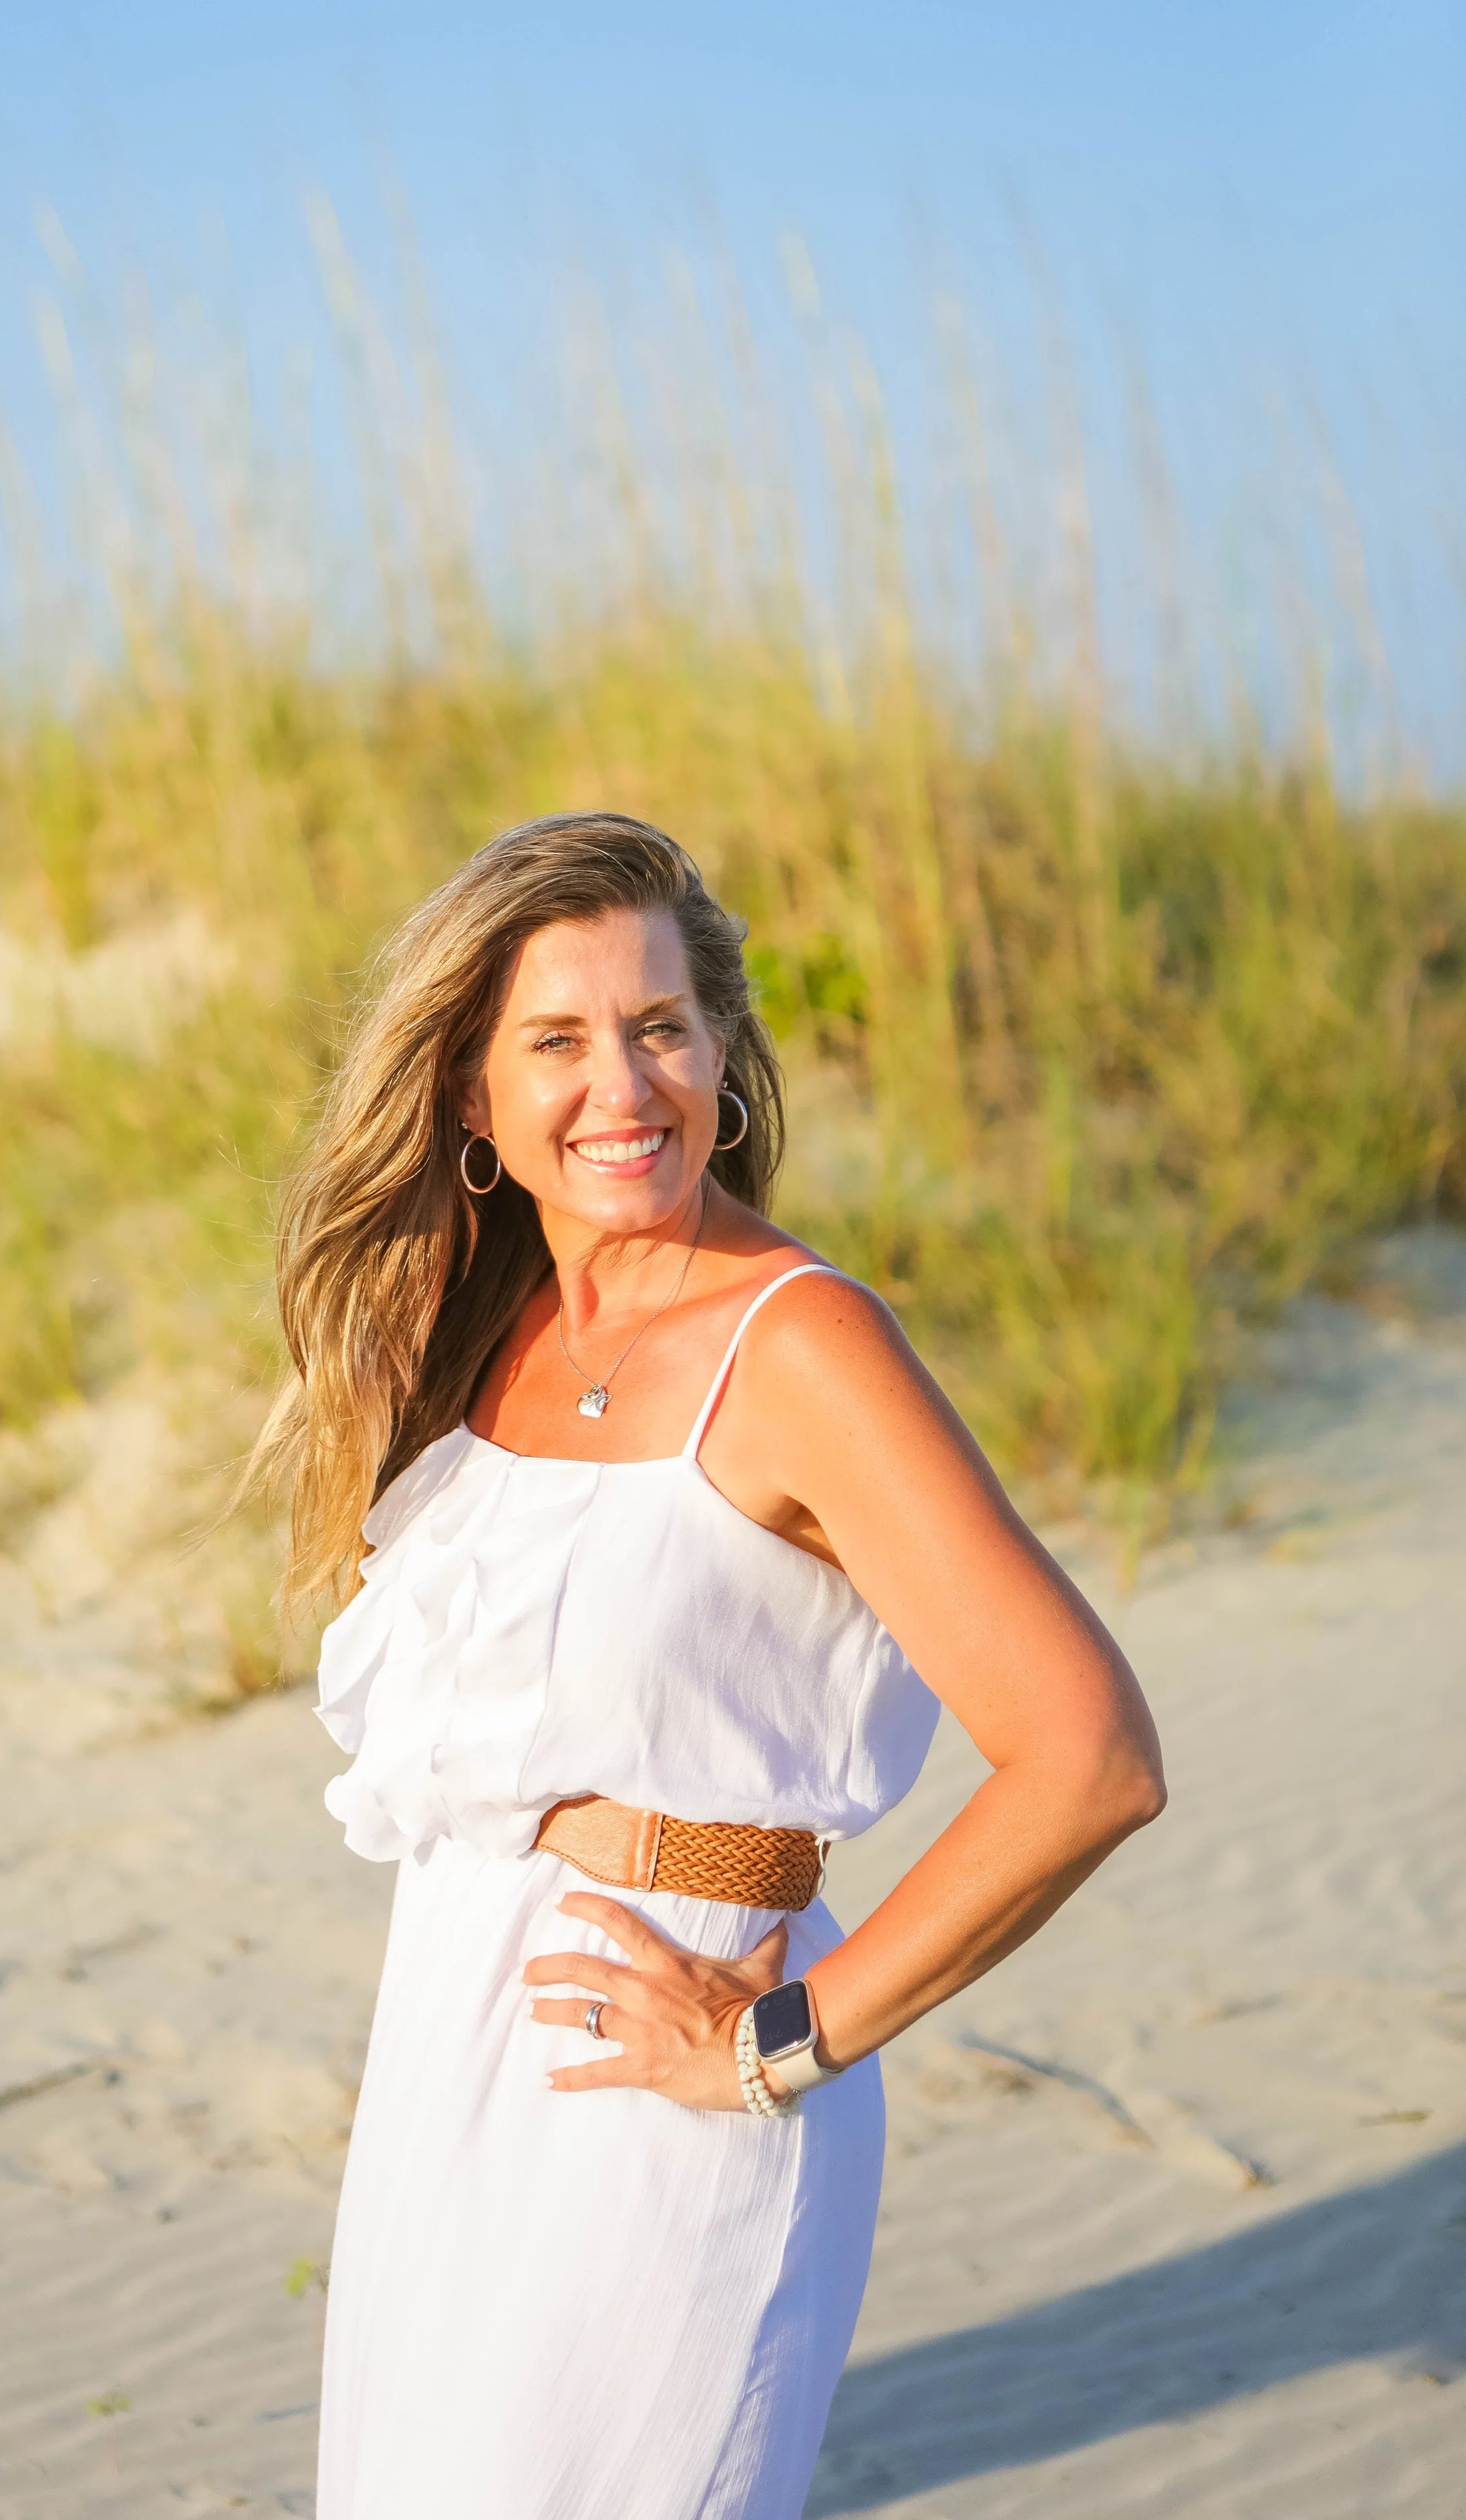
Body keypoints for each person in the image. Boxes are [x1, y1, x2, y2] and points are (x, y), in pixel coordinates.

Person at [252, 812, 1165, 2520]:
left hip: (664, 2101)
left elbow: (1088, 1754)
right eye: (558, 1039)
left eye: (661, 1026)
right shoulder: (493, 1325)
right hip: (447, 2071)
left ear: (722, 1053)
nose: (624, 1084)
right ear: (469, 1095)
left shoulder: (800, 1346)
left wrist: (786, 2044)